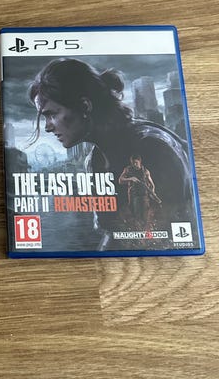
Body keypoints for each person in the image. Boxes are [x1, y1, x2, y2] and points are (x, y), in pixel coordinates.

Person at [28, 58, 194, 250]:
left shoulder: (152, 147)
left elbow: (170, 237)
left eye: (52, 114)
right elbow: (114, 234)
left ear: (85, 106)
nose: (47, 127)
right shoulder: (95, 159)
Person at [119, 154, 161, 228]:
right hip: (133, 195)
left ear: (140, 161)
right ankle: (137, 228)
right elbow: (120, 180)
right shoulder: (128, 169)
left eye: (136, 163)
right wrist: (131, 178)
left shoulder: (145, 171)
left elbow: (152, 184)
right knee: (134, 214)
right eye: (133, 163)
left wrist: (152, 192)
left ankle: (143, 229)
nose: (134, 165)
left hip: (144, 195)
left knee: (144, 216)